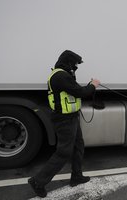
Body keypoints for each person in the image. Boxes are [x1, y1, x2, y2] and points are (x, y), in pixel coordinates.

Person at [28, 50, 100, 198]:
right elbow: (81, 92)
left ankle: (76, 176)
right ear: (67, 62)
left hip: (71, 117)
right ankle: (38, 181)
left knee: (78, 145)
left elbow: (75, 91)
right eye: (74, 64)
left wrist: (88, 86)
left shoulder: (63, 75)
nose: (75, 67)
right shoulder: (60, 76)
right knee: (64, 152)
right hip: (64, 119)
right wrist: (93, 85)